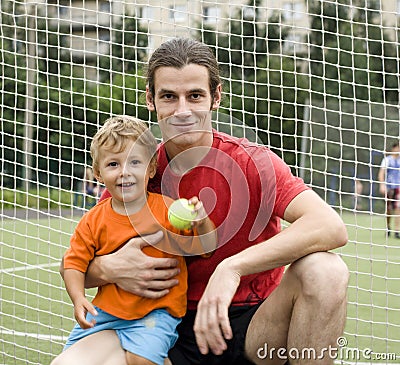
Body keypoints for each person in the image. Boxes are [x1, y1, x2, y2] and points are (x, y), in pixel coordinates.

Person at [59, 38, 349, 365]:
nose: (182, 111)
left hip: (255, 326)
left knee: (326, 270)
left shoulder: (254, 163)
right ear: (151, 100)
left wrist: (233, 267)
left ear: (216, 97)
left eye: (194, 96)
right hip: (158, 325)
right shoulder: (135, 171)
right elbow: (77, 260)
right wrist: (106, 268)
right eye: (169, 96)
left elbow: (329, 227)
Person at [52, 115, 217, 365]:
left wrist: (201, 220)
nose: (124, 172)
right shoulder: (93, 220)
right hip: (106, 313)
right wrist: (78, 298)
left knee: (141, 360)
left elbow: (206, 247)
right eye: (113, 164)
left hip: (156, 312)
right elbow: (73, 263)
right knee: (67, 360)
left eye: (135, 162)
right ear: (98, 173)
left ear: (151, 168)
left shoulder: (168, 211)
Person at [378, 141, 400, 238]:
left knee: (398, 208)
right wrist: (382, 185)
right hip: (389, 187)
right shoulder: (387, 160)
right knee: (389, 209)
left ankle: (397, 230)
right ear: (394, 148)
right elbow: (381, 173)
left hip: (398, 187)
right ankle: (388, 227)